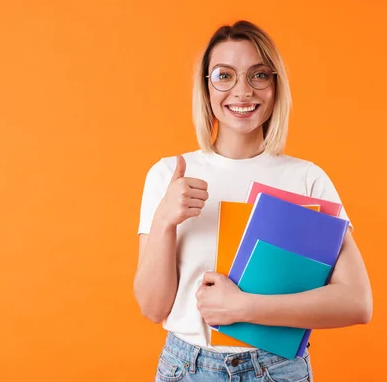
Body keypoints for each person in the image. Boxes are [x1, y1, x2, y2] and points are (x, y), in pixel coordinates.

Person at [134, 20, 372, 382]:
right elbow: (153, 309)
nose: (242, 91)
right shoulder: (169, 175)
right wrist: (164, 219)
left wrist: (243, 307)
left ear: (276, 87)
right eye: (224, 76)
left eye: (259, 75)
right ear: (206, 87)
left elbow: (357, 302)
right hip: (188, 368)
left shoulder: (307, 179)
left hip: (277, 369)